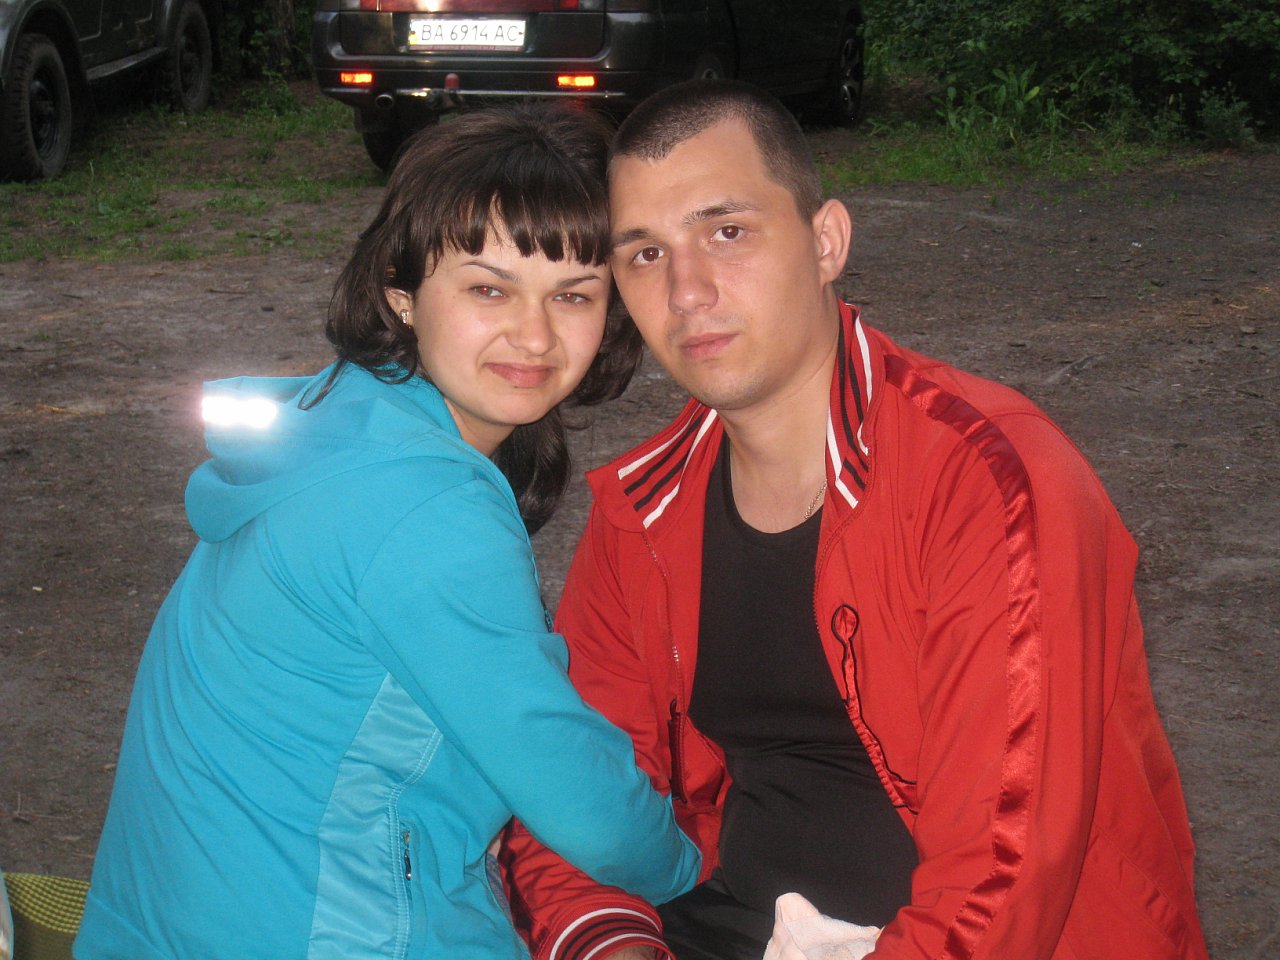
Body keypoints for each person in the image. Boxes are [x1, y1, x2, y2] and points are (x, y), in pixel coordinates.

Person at [500, 80, 1210, 960]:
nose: (687, 291)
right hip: (734, 920)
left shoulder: (989, 481)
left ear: (826, 240)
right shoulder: (645, 510)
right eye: (645, 254)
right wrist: (613, 946)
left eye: (727, 232)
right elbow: (577, 786)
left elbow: (1001, 878)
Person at [73, 103, 701, 960]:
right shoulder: (424, 509)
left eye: (573, 295)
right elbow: (580, 799)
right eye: (488, 288)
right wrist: (696, 864)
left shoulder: (336, 425)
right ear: (402, 294)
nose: (534, 335)